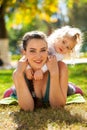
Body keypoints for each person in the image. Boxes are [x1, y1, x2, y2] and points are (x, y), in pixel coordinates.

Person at [11, 31, 68, 111]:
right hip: (18, 82)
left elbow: (58, 106)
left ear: (47, 50)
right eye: (32, 51)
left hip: (66, 85)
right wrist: (19, 74)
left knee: (72, 89)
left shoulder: (61, 67)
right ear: (24, 52)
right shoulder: (19, 73)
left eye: (43, 50)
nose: (38, 56)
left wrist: (54, 73)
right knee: (12, 91)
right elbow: (28, 109)